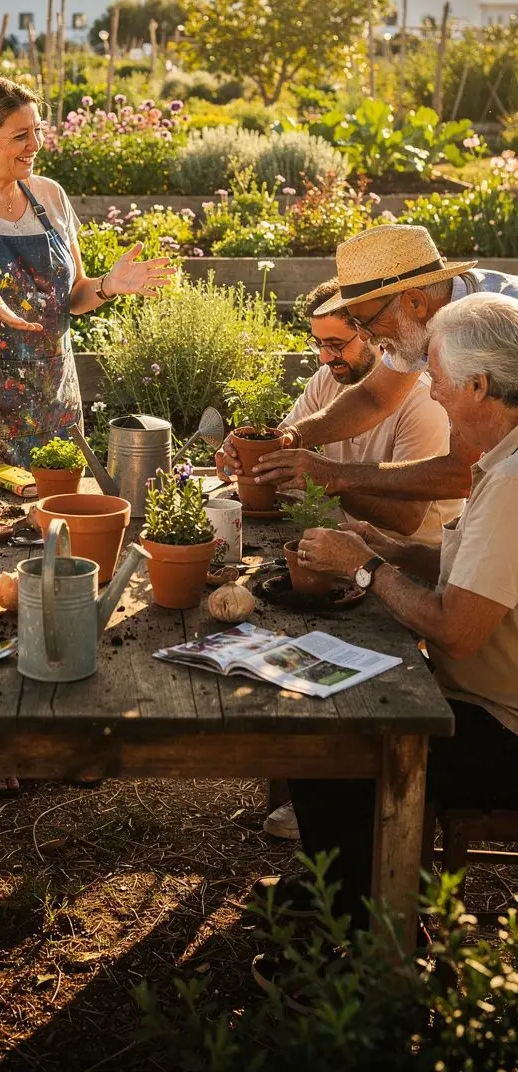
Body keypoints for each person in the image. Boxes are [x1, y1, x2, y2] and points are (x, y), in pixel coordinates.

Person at [250, 293, 518, 971]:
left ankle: (374, 946)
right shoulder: (503, 459)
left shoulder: (513, 481)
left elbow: (456, 628)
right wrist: (395, 553)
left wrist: (367, 569)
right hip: (482, 702)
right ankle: (352, 894)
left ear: (480, 386)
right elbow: (475, 577)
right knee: (324, 709)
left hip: (504, 729)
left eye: (437, 376)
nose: (427, 387)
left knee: (331, 744)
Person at [259, 276, 461, 844]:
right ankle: (319, 802)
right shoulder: (346, 374)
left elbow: (423, 507)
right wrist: (282, 442)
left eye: (346, 338)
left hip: (427, 556)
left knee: (327, 689)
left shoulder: (437, 391)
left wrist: (328, 481)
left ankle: (339, 818)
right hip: (380, 549)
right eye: (317, 344)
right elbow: (348, 410)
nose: (326, 358)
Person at [0, 75, 175, 465]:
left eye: (38, 130)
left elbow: (75, 296)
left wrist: (107, 285)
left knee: (56, 510)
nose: (34, 145)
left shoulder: (49, 195)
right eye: (19, 136)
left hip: (51, 399)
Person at [219, 224, 518, 507]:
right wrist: (287, 439)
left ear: (414, 302)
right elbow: (373, 399)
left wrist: (335, 476)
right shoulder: (423, 312)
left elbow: (462, 474)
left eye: (367, 322)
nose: (364, 336)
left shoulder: (484, 328)